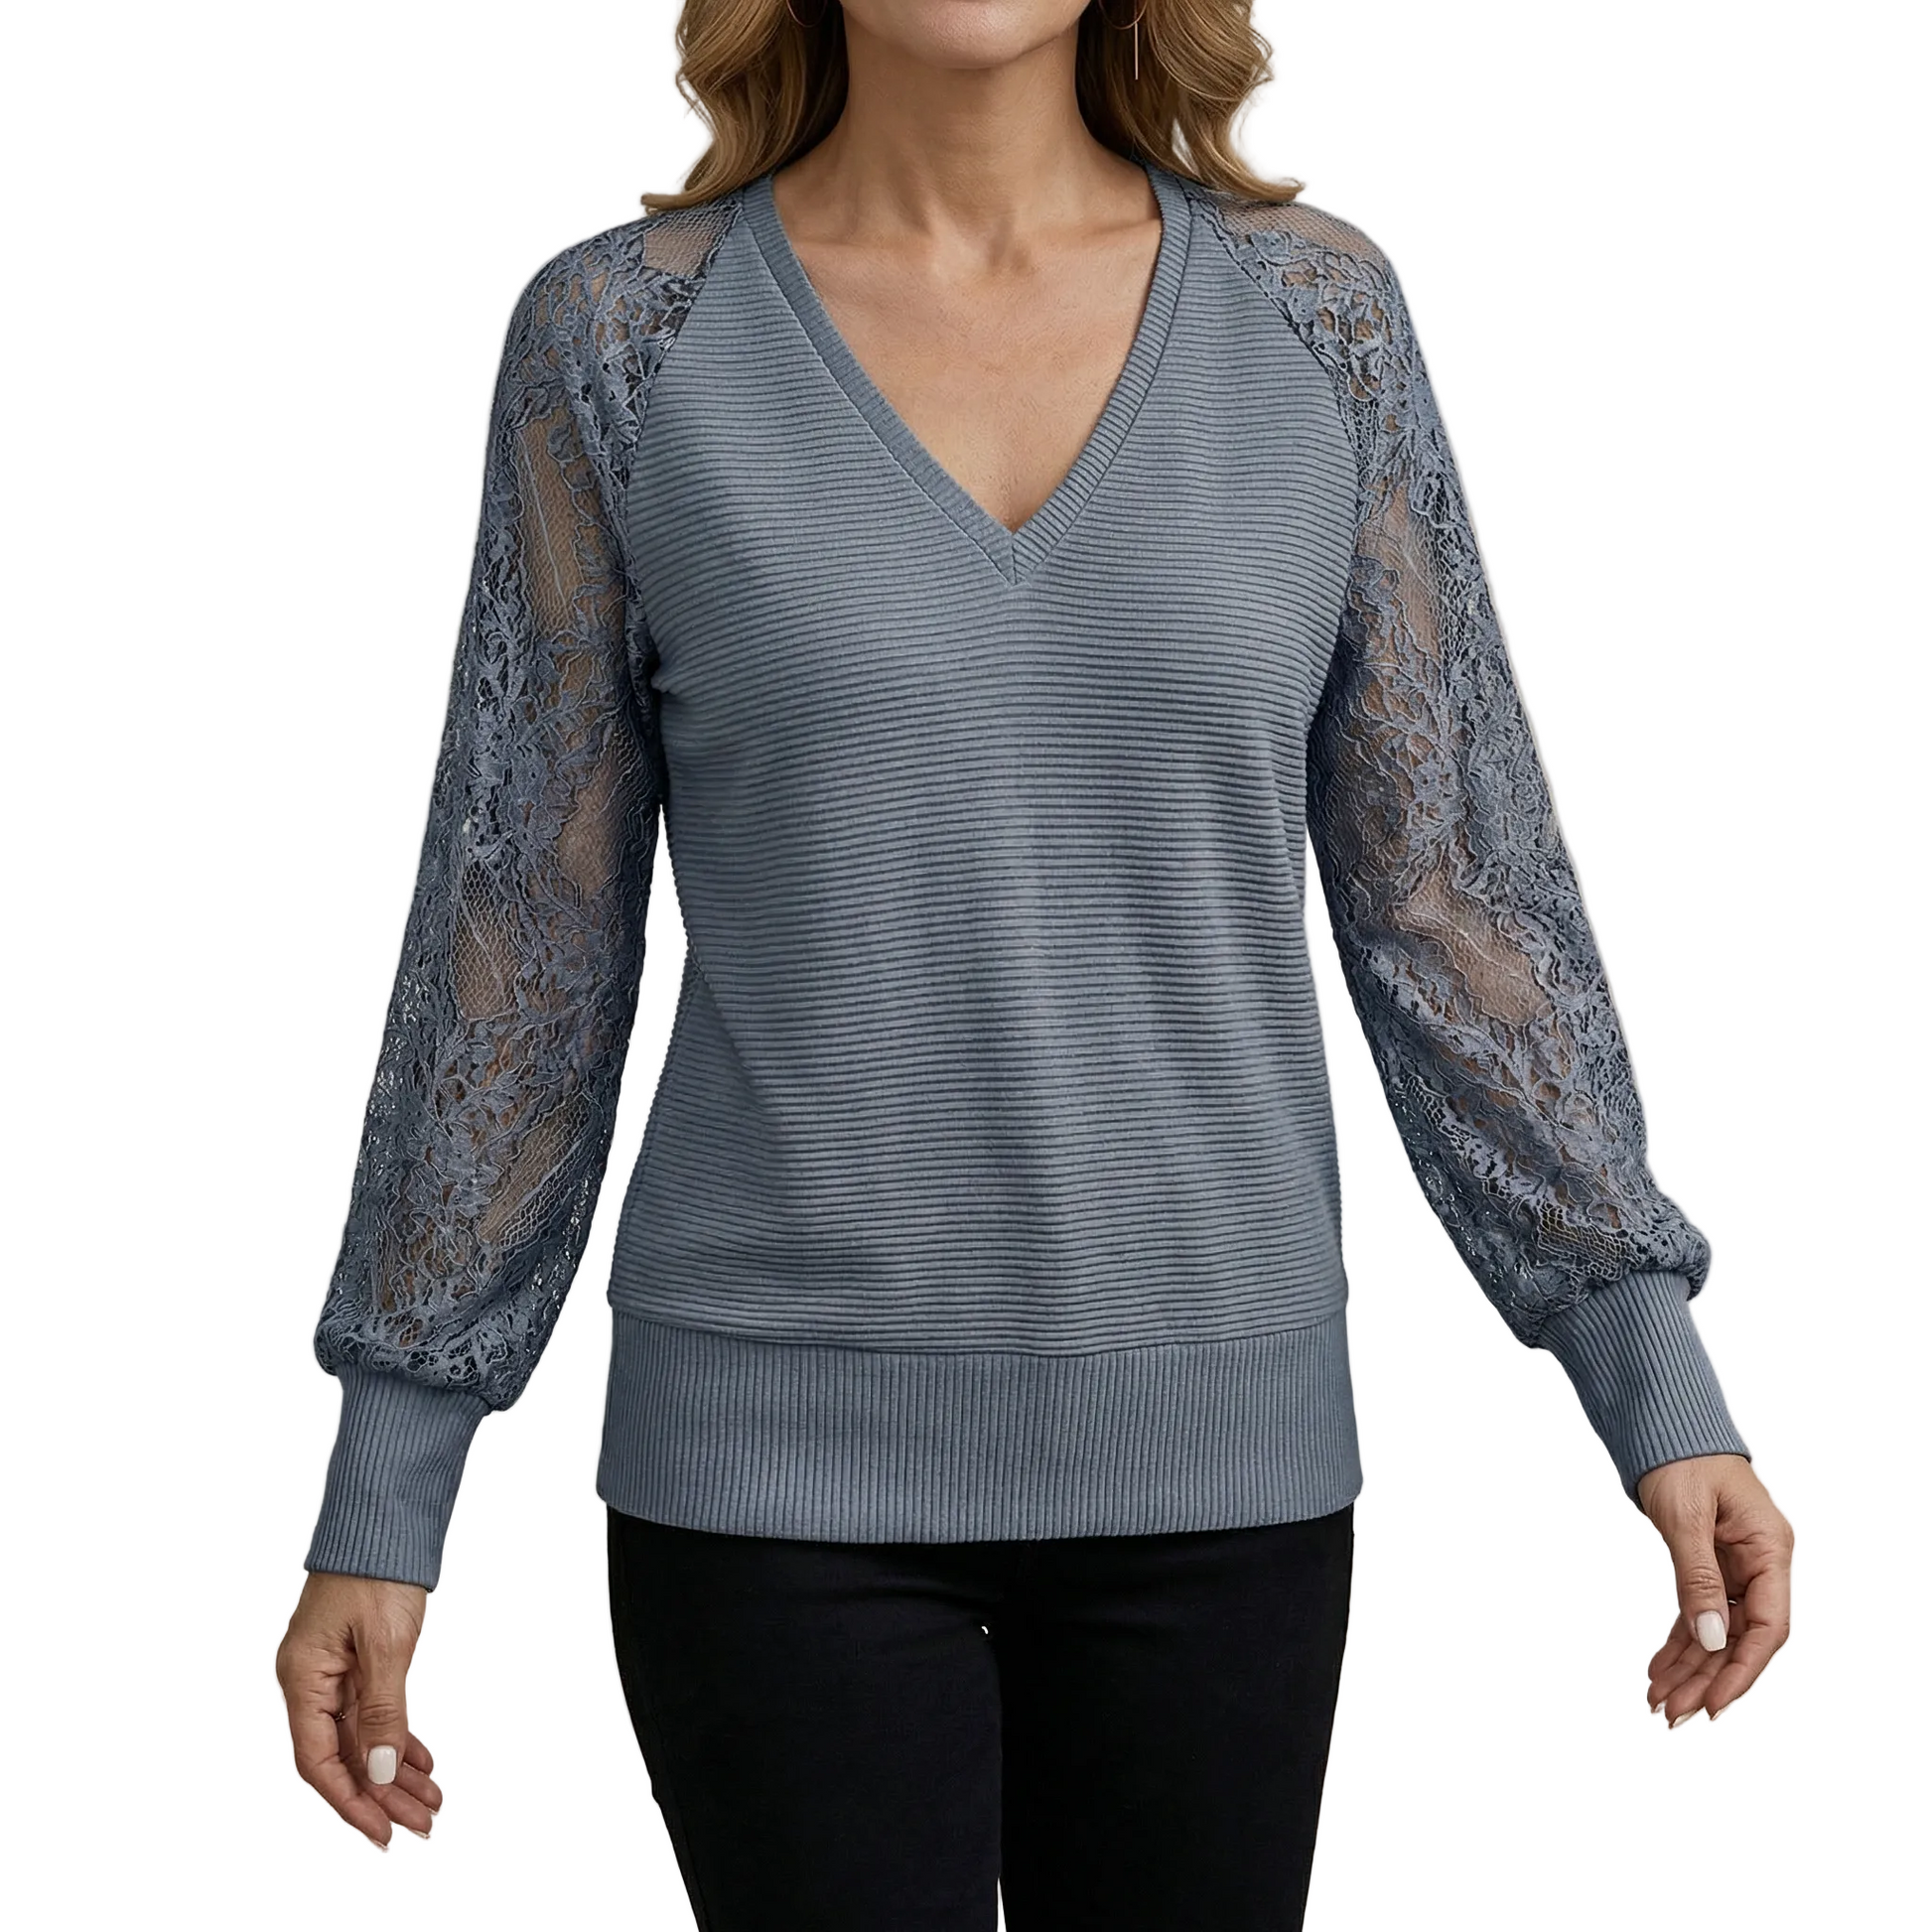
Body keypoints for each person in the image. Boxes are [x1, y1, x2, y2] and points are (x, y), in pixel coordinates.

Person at [274, 1, 1796, 1923]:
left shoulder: (1319, 323)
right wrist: (390, 1474)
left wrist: (1647, 1365)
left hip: (1218, 1475)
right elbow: (521, 937)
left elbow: (1454, 896)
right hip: (768, 1487)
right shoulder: (618, 343)